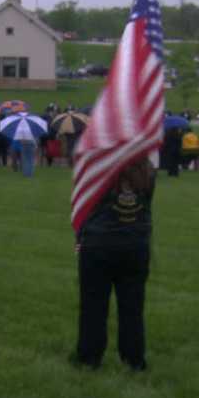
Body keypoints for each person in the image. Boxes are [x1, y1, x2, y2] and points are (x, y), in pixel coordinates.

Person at [73, 156, 154, 371]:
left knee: (93, 304)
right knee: (133, 307)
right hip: (135, 244)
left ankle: (89, 357)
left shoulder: (97, 168)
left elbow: (84, 205)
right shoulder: (147, 169)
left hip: (99, 243)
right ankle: (134, 358)